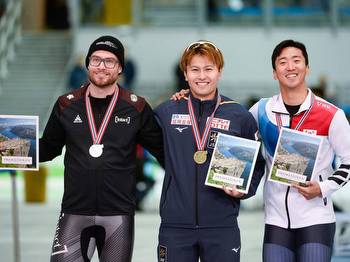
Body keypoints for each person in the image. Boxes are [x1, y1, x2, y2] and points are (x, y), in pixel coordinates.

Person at [39, 35, 164, 262]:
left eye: (110, 61)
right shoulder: (66, 104)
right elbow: (48, 148)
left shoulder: (136, 107)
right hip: (74, 211)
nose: (102, 67)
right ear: (87, 64)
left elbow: (164, 151)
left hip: (118, 215)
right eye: (96, 60)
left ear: (120, 69)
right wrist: (12, 148)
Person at [154, 40, 265, 262]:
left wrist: (244, 190)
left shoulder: (238, 115)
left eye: (208, 69)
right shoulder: (166, 111)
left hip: (222, 225)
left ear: (219, 72)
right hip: (176, 226)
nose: (201, 76)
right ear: (185, 74)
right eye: (194, 69)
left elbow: (257, 161)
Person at [249, 39, 350, 262]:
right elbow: (234, 130)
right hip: (275, 221)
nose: (290, 67)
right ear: (275, 72)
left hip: (316, 219)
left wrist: (322, 188)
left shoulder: (331, 114)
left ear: (307, 67)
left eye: (297, 60)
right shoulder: (261, 110)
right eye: (283, 62)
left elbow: (349, 160)